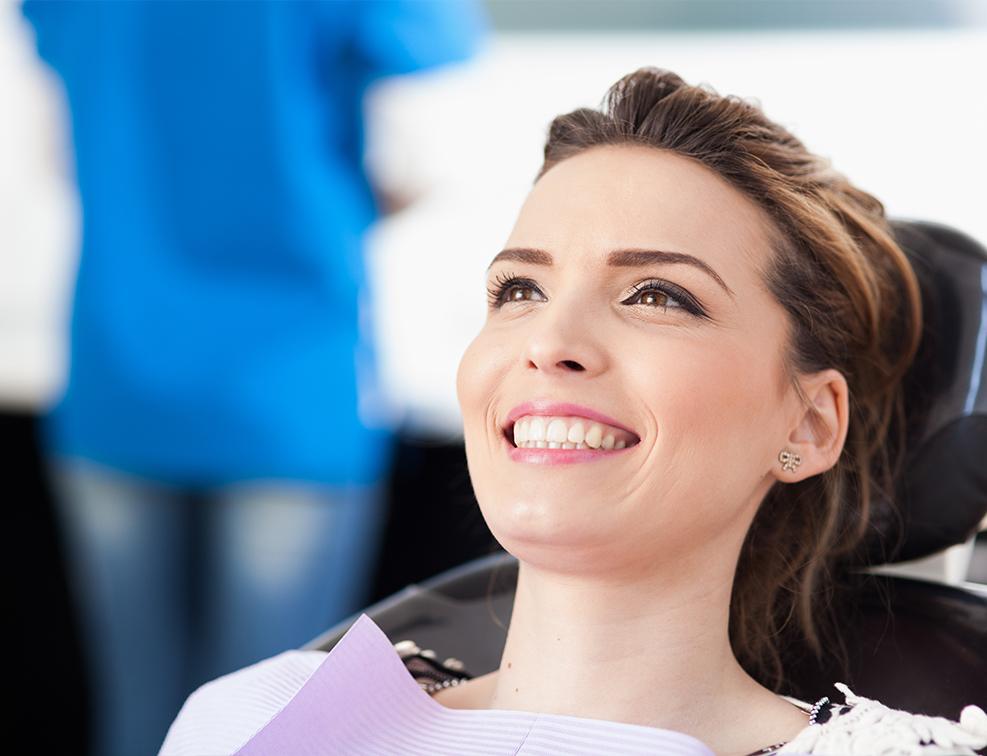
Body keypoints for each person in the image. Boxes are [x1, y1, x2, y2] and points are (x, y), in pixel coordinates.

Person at [158, 68, 987, 755]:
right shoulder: (247, 718)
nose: (549, 339)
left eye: (657, 294)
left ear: (807, 424)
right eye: (519, 289)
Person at [19, 2, 487, 756]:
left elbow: (60, 158)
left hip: (120, 372)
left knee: (142, 716)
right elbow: (420, 163)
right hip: (291, 387)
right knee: (273, 728)